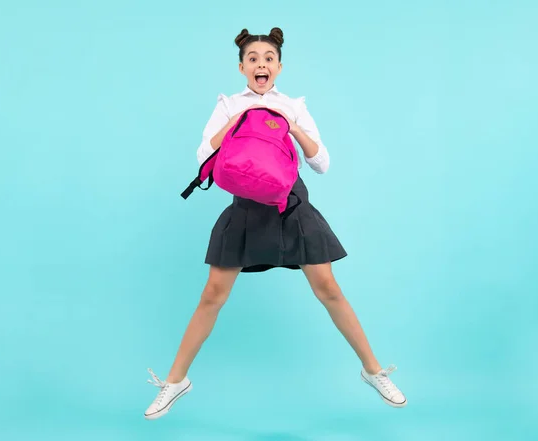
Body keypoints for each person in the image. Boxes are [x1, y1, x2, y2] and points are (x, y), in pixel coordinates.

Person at [144, 27, 407, 420]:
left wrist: (291, 125)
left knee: (329, 289)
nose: (261, 63)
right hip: (247, 208)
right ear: (242, 67)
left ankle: (373, 371)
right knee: (213, 294)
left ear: (279, 67)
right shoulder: (229, 104)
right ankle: (175, 381)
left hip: (291, 206)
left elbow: (322, 164)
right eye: (253, 58)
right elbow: (203, 154)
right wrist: (240, 121)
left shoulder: (294, 105)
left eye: (268, 57)